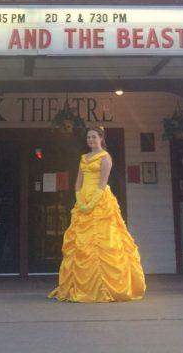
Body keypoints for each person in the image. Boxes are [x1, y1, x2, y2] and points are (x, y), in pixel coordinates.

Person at [48, 125, 146, 302]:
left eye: (94, 137)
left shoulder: (105, 158)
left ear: (101, 138)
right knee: (80, 244)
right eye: (88, 138)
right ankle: (78, 286)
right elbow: (78, 181)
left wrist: (92, 203)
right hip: (83, 200)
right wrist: (79, 199)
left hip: (99, 200)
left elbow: (102, 183)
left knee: (103, 243)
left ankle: (106, 287)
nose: (91, 140)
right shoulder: (83, 158)